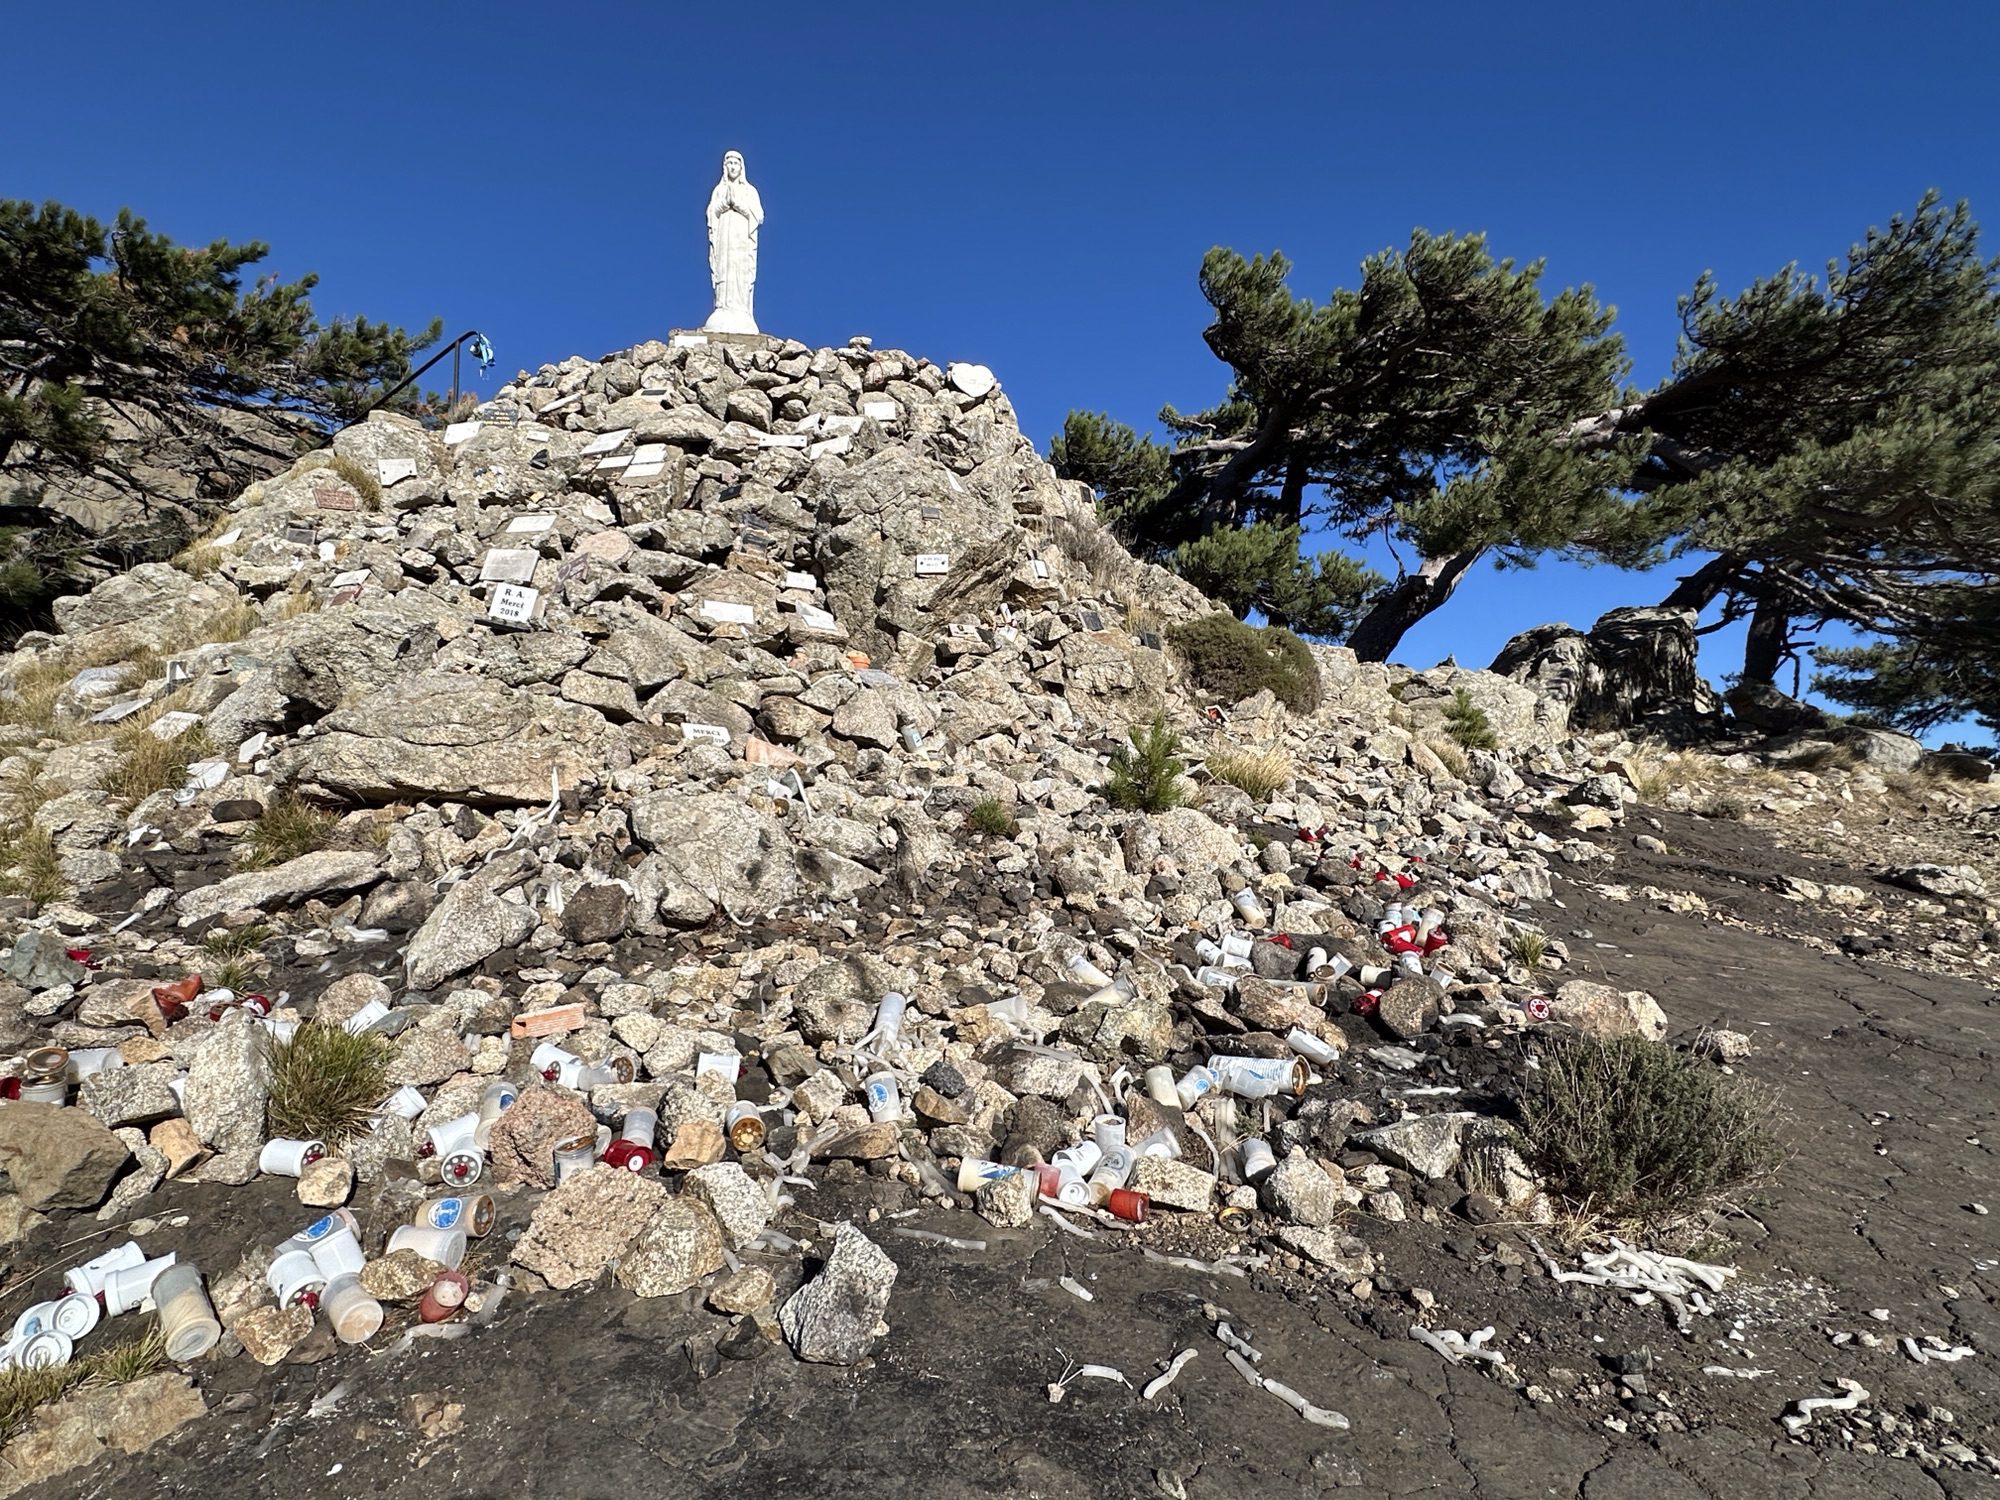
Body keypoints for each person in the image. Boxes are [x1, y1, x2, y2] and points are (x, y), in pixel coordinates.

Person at [703, 150, 763, 334]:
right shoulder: (719, 190)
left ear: (741, 167)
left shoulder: (749, 190)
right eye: (729, 163)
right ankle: (722, 306)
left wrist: (736, 204)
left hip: (741, 238)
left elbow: (758, 216)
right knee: (723, 267)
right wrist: (723, 204)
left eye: (736, 163)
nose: (733, 167)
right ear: (724, 167)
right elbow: (711, 214)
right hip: (724, 238)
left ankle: (740, 309)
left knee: (739, 270)